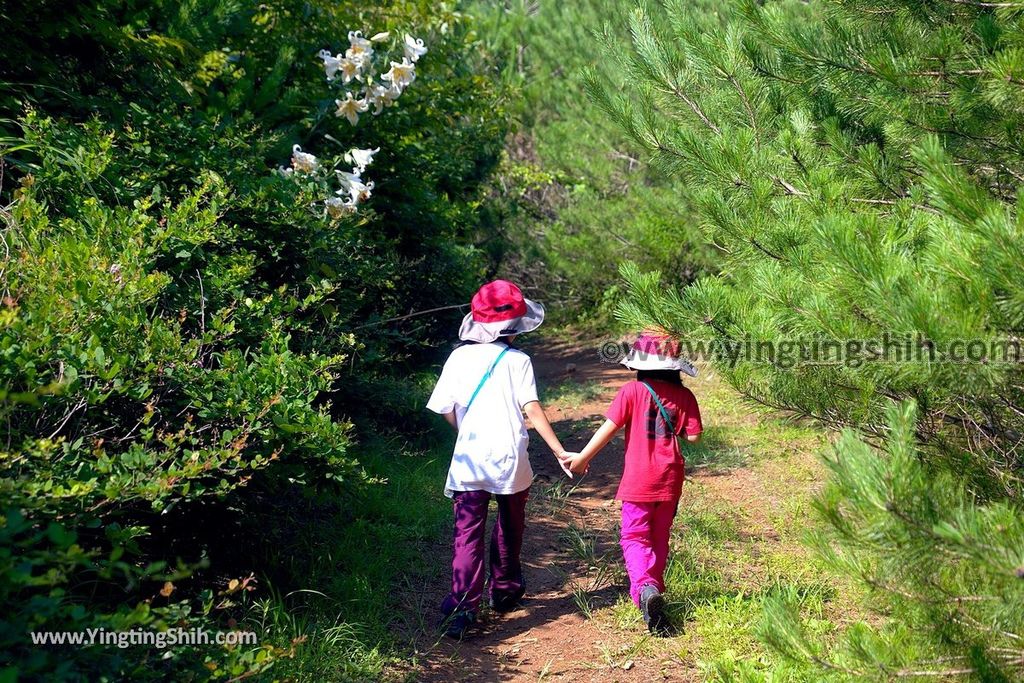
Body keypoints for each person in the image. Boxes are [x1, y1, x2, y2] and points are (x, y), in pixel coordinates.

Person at [426, 280, 571, 640]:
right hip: (510, 459)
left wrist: (468, 430)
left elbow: (445, 410)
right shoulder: (519, 361)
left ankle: (462, 608)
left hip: (470, 460)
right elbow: (532, 410)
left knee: (467, 534)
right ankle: (504, 590)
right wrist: (558, 450)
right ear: (517, 327)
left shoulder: (458, 357)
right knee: (510, 525)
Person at [562, 332, 702, 634]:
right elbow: (693, 436)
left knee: (635, 536)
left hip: (639, 478)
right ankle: (653, 590)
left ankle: (645, 589)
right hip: (670, 477)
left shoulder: (632, 391)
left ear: (640, 363)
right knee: (659, 534)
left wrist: (582, 459)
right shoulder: (685, 396)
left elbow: (608, 429)